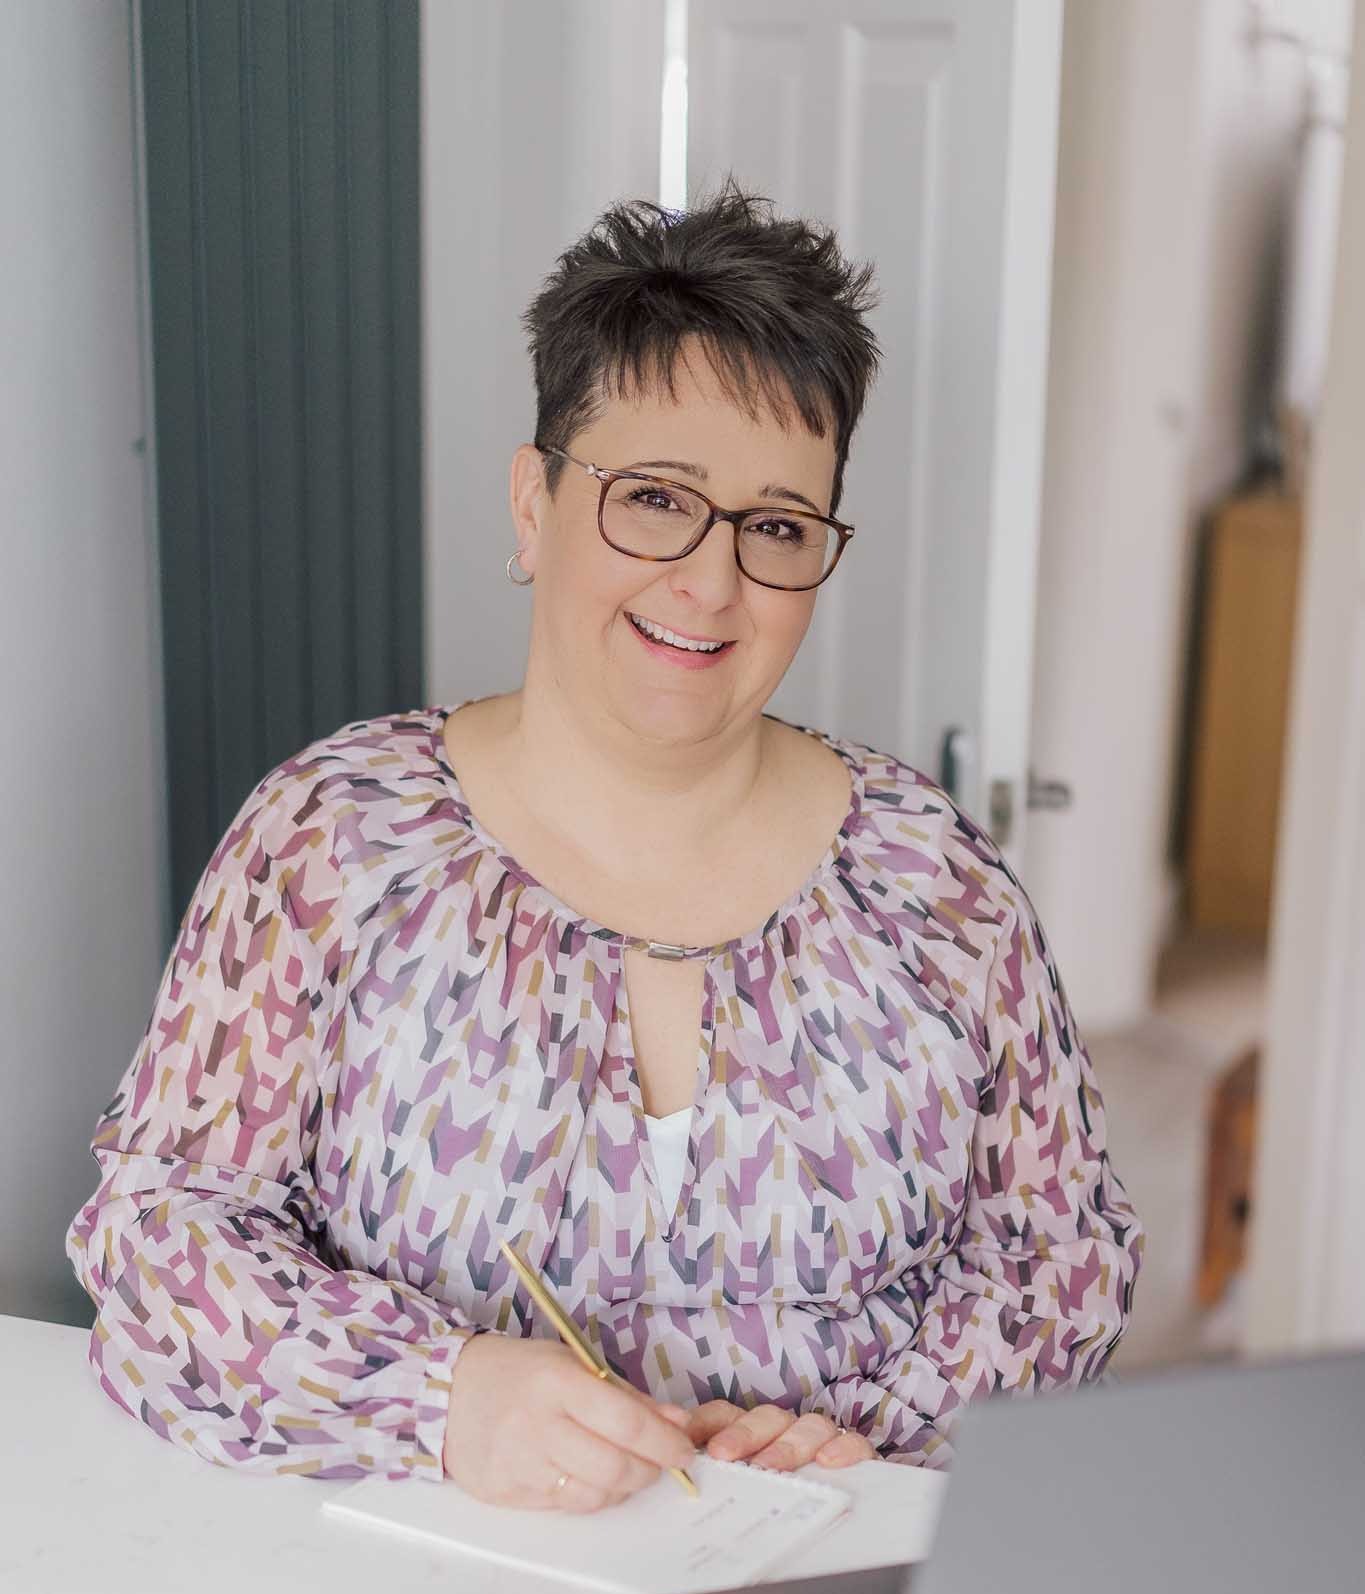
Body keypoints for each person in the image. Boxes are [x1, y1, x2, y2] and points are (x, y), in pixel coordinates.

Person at [66, 179, 1143, 1510]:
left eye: (776, 527)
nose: (709, 582)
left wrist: (875, 1430)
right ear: (534, 508)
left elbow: (1060, 1258)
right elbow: (159, 1239)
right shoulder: (330, 841)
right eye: (653, 499)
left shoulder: (940, 887)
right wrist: (443, 1396)